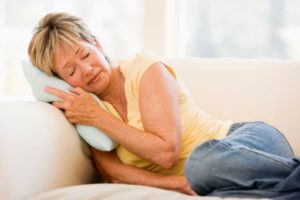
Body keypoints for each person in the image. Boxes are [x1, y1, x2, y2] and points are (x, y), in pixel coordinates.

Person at [28, 12, 300, 199]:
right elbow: (113, 173)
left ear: (97, 43)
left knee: (202, 164)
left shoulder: (144, 68)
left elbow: (166, 152)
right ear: (62, 81)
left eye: (85, 54)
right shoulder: (86, 111)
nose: (86, 69)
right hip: (215, 179)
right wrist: (177, 184)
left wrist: (99, 117)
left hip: (250, 143)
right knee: (218, 190)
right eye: (71, 71)